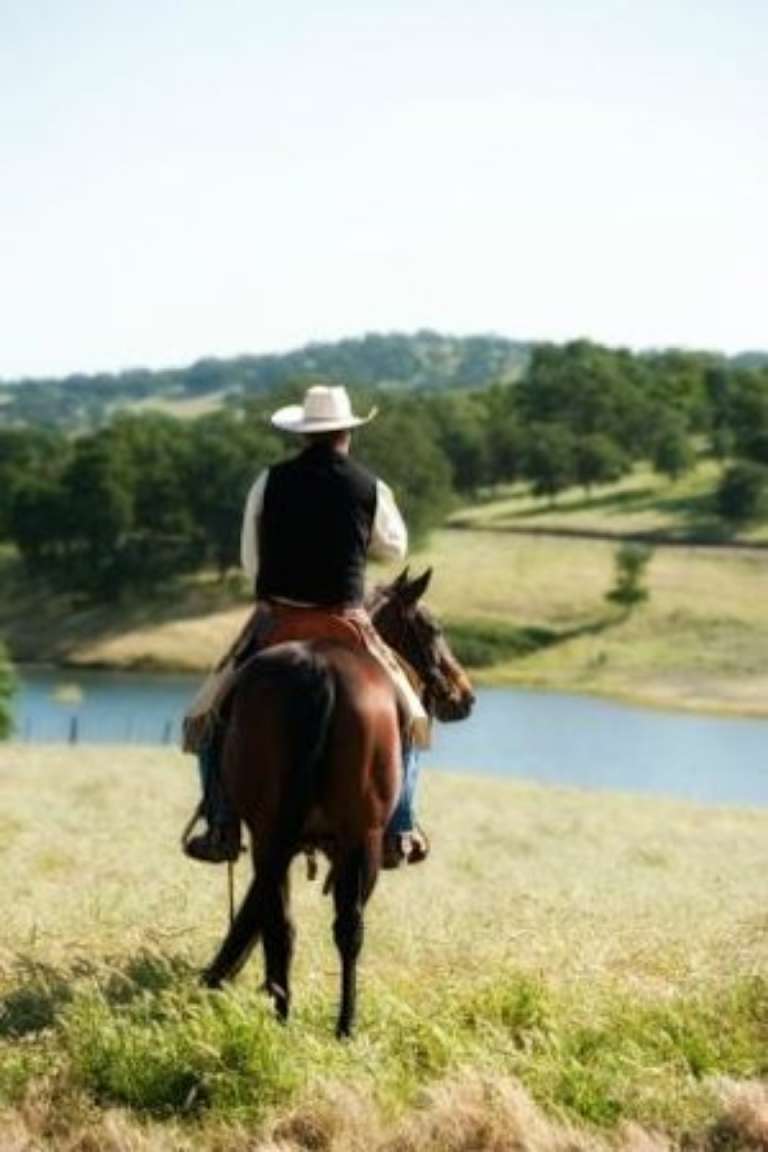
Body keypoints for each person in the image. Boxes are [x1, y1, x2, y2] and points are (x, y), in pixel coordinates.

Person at [182, 384, 429, 868]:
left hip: (278, 620)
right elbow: (394, 549)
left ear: (302, 435)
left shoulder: (268, 482)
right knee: (412, 718)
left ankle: (221, 823)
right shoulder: (371, 486)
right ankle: (400, 826)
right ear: (347, 433)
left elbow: (251, 560)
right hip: (347, 623)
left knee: (207, 717)